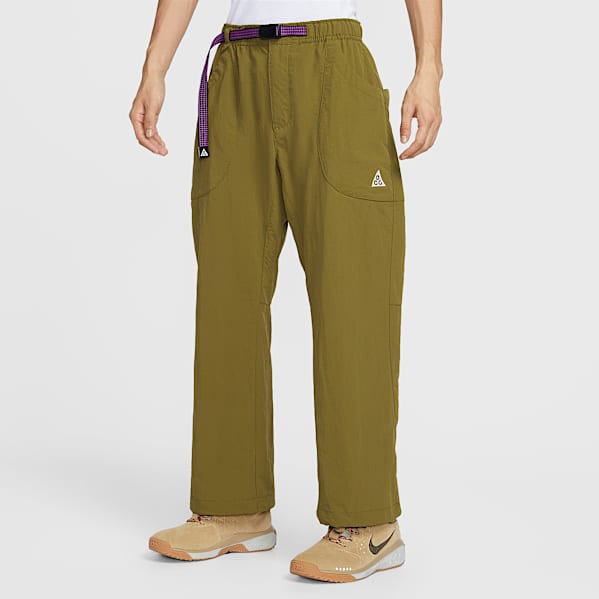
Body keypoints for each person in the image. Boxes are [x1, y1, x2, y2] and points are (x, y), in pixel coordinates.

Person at [129, 0, 442, 583]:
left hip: (332, 62)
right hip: (237, 69)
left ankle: (369, 521)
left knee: (352, 298)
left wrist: (429, 69)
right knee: (227, 298)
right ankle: (233, 507)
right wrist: (155, 67)